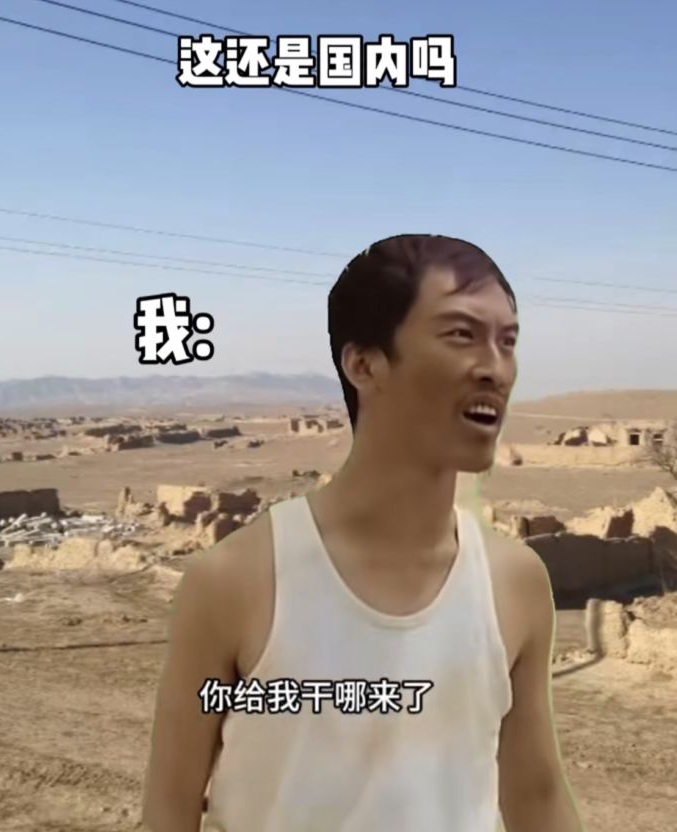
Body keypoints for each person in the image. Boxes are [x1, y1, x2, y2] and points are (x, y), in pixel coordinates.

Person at [142, 234, 584, 831]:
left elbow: (537, 797)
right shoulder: (235, 580)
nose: (495, 368)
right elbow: (169, 810)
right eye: (461, 334)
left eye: (507, 341)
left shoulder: (515, 581)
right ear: (364, 364)